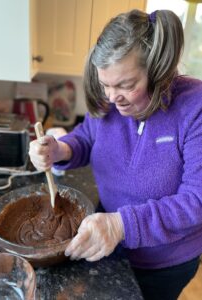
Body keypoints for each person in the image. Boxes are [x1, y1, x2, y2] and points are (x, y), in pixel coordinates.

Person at [29, 9, 202, 300]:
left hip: (164, 261)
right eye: (105, 85)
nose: (111, 97)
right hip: (111, 246)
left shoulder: (194, 108)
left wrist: (121, 224)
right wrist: (60, 149)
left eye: (125, 85)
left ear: (158, 72)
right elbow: (87, 137)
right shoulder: (110, 101)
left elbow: (196, 200)